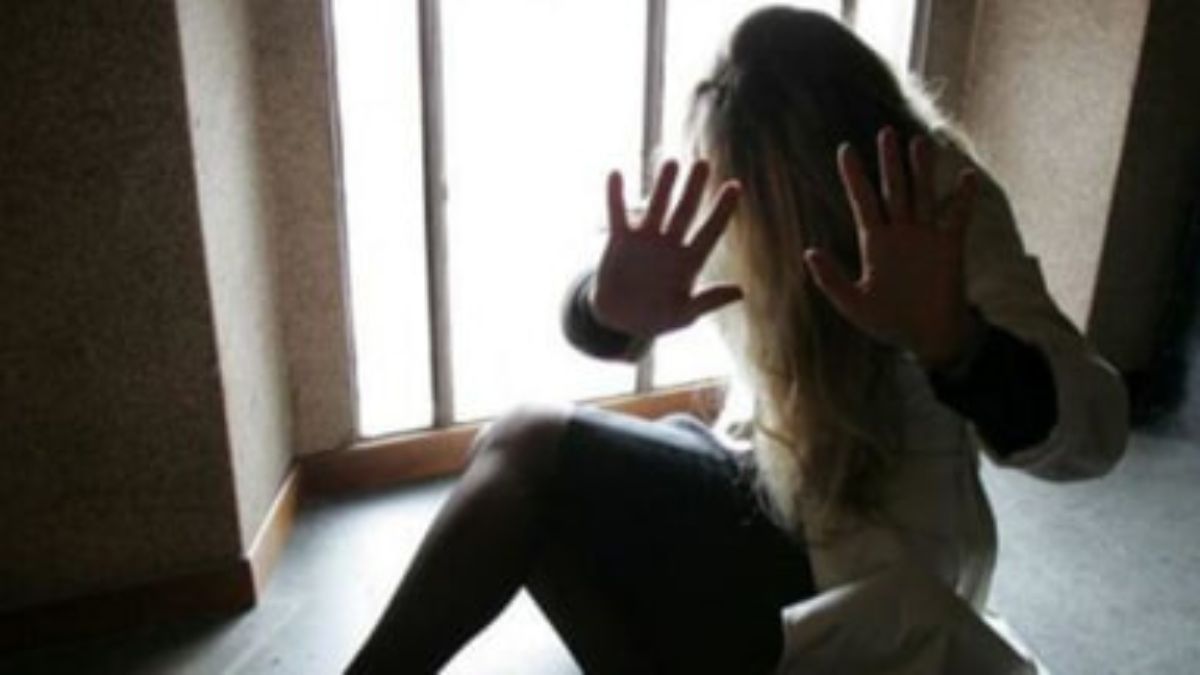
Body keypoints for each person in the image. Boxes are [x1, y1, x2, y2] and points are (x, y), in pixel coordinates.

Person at [346, 7, 1128, 674]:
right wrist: (602, 309)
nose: (751, 210)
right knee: (547, 466)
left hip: (868, 575)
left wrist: (958, 344)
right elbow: (617, 289)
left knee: (532, 447)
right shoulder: (737, 168)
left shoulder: (941, 204)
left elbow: (1096, 434)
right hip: (769, 487)